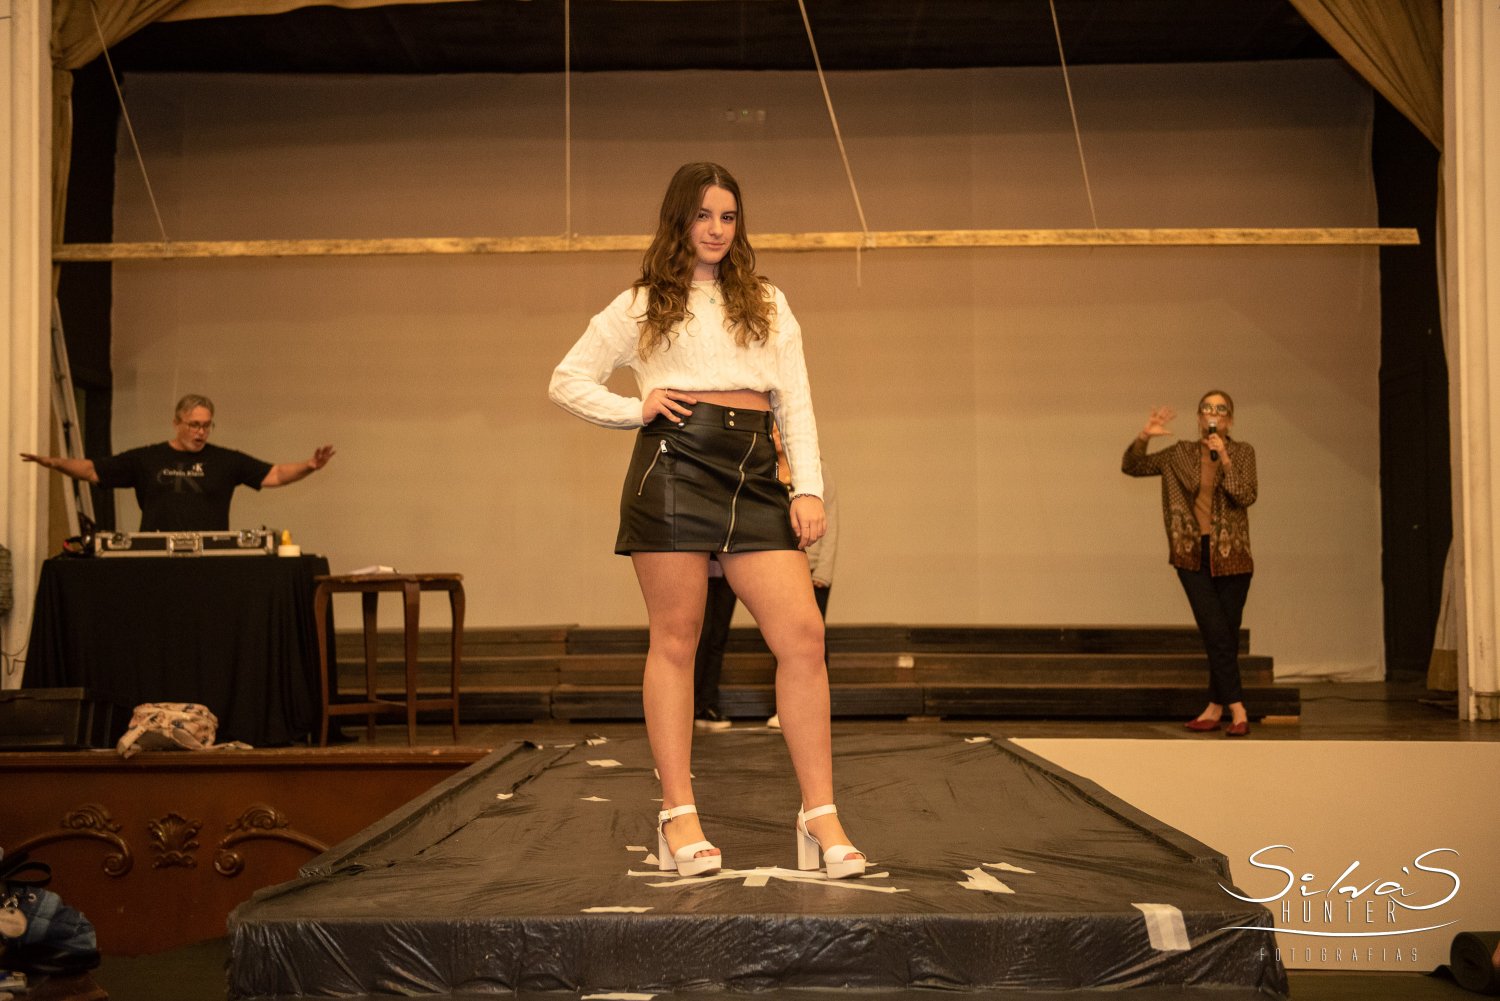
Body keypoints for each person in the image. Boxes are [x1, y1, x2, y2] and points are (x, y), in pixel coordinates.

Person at [548, 161, 864, 879]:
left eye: (727, 216)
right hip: (675, 465)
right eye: (703, 216)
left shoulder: (768, 301)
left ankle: (820, 814)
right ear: (678, 221)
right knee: (676, 639)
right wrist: (635, 409)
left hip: (755, 470)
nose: (717, 229)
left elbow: (796, 400)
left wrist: (807, 488)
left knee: (803, 635)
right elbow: (566, 379)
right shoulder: (640, 304)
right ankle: (678, 814)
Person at [1122, 390, 1257, 737]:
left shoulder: (1242, 452)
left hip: (1233, 556)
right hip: (1191, 553)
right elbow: (1132, 466)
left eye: (1221, 409)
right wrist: (1144, 436)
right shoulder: (1179, 454)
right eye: (1207, 409)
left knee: (1224, 635)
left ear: (1229, 419)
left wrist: (1224, 456)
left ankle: (1214, 707)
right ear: (1199, 418)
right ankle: (1238, 708)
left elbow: (1245, 495)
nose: (1214, 414)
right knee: (1215, 630)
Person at [21, 394, 335, 532]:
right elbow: (92, 470)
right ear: (176, 423)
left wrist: (309, 466)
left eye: (207, 425)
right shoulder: (146, 458)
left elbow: (275, 474)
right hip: (158, 556)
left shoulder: (226, 460)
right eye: (194, 425)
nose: (201, 432)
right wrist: (55, 462)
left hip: (209, 558)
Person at [694, 461, 838, 732]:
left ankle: (806, 711)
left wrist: (823, 571)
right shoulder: (756, 463)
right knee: (714, 636)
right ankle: (702, 705)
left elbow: (829, 518)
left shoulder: (814, 468)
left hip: (808, 566)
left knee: (809, 639)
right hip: (764, 559)